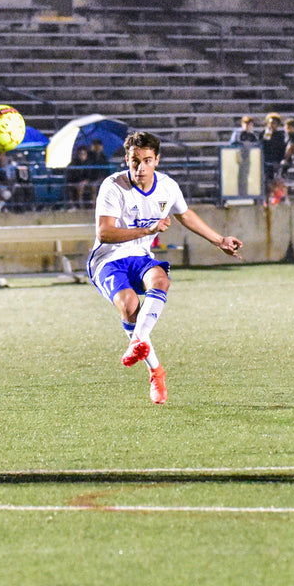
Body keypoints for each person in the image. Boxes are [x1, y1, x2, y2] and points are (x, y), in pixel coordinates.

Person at [87, 131, 243, 406]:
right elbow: (105, 233)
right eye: (135, 160)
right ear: (127, 159)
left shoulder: (167, 187)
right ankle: (155, 370)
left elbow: (185, 214)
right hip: (107, 259)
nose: (141, 167)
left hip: (140, 255)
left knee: (160, 280)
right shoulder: (113, 186)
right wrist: (147, 229)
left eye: (147, 160)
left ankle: (137, 341)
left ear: (157, 160)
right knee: (128, 304)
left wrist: (219, 240)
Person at [64, 145, 94, 209]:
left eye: (84, 154)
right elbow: (70, 175)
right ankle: (73, 205)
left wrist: (85, 181)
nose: (82, 156)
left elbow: (91, 175)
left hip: (87, 182)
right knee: (70, 187)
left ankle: (83, 205)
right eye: (80, 154)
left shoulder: (89, 163)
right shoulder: (73, 163)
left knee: (82, 187)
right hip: (75, 182)